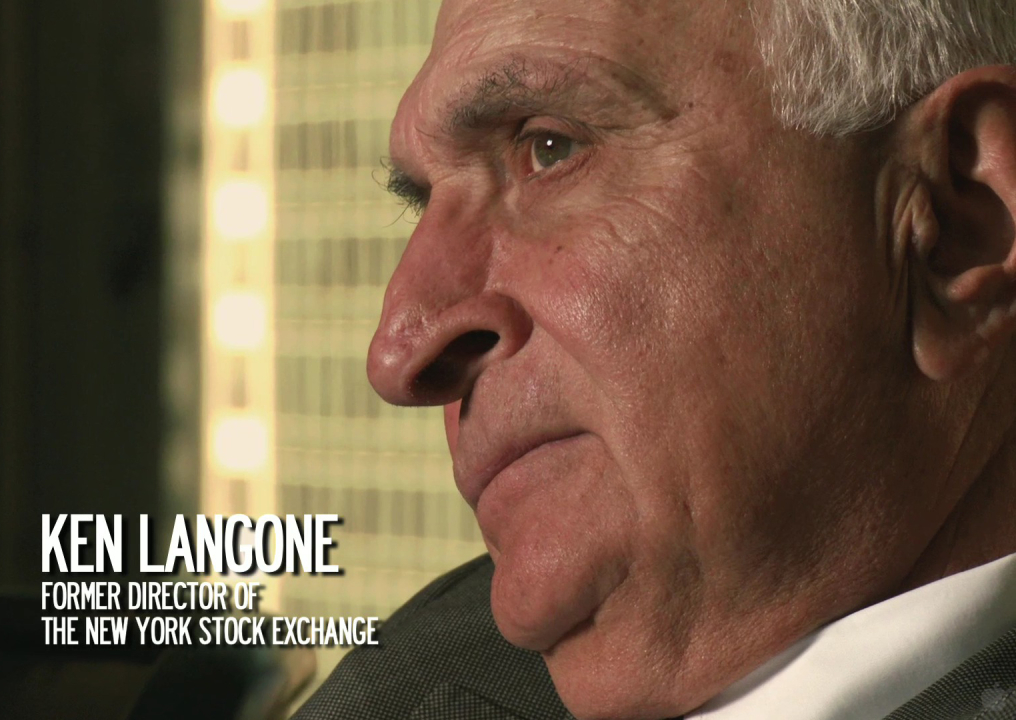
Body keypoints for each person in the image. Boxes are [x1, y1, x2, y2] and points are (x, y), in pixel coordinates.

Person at [292, 0, 1016, 719]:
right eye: (422, 204)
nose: (397, 354)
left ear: (958, 219)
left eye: (549, 148)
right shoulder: (405, 679)